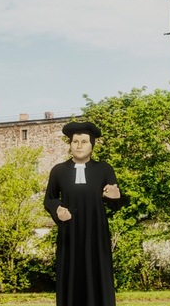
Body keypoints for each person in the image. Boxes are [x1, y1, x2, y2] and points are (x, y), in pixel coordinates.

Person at [44, 121, 128, 306]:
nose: (79, 146)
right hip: (69, 235)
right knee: (70, 274)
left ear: (92, 145)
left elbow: (115, 201)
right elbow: (49, 199)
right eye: (75, 142)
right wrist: (58, 210)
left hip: (96, 233)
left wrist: (115, 196)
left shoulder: (104, 169)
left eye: (84, 141)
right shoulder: (58, 171)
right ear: (70, 145)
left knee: (97, 271)